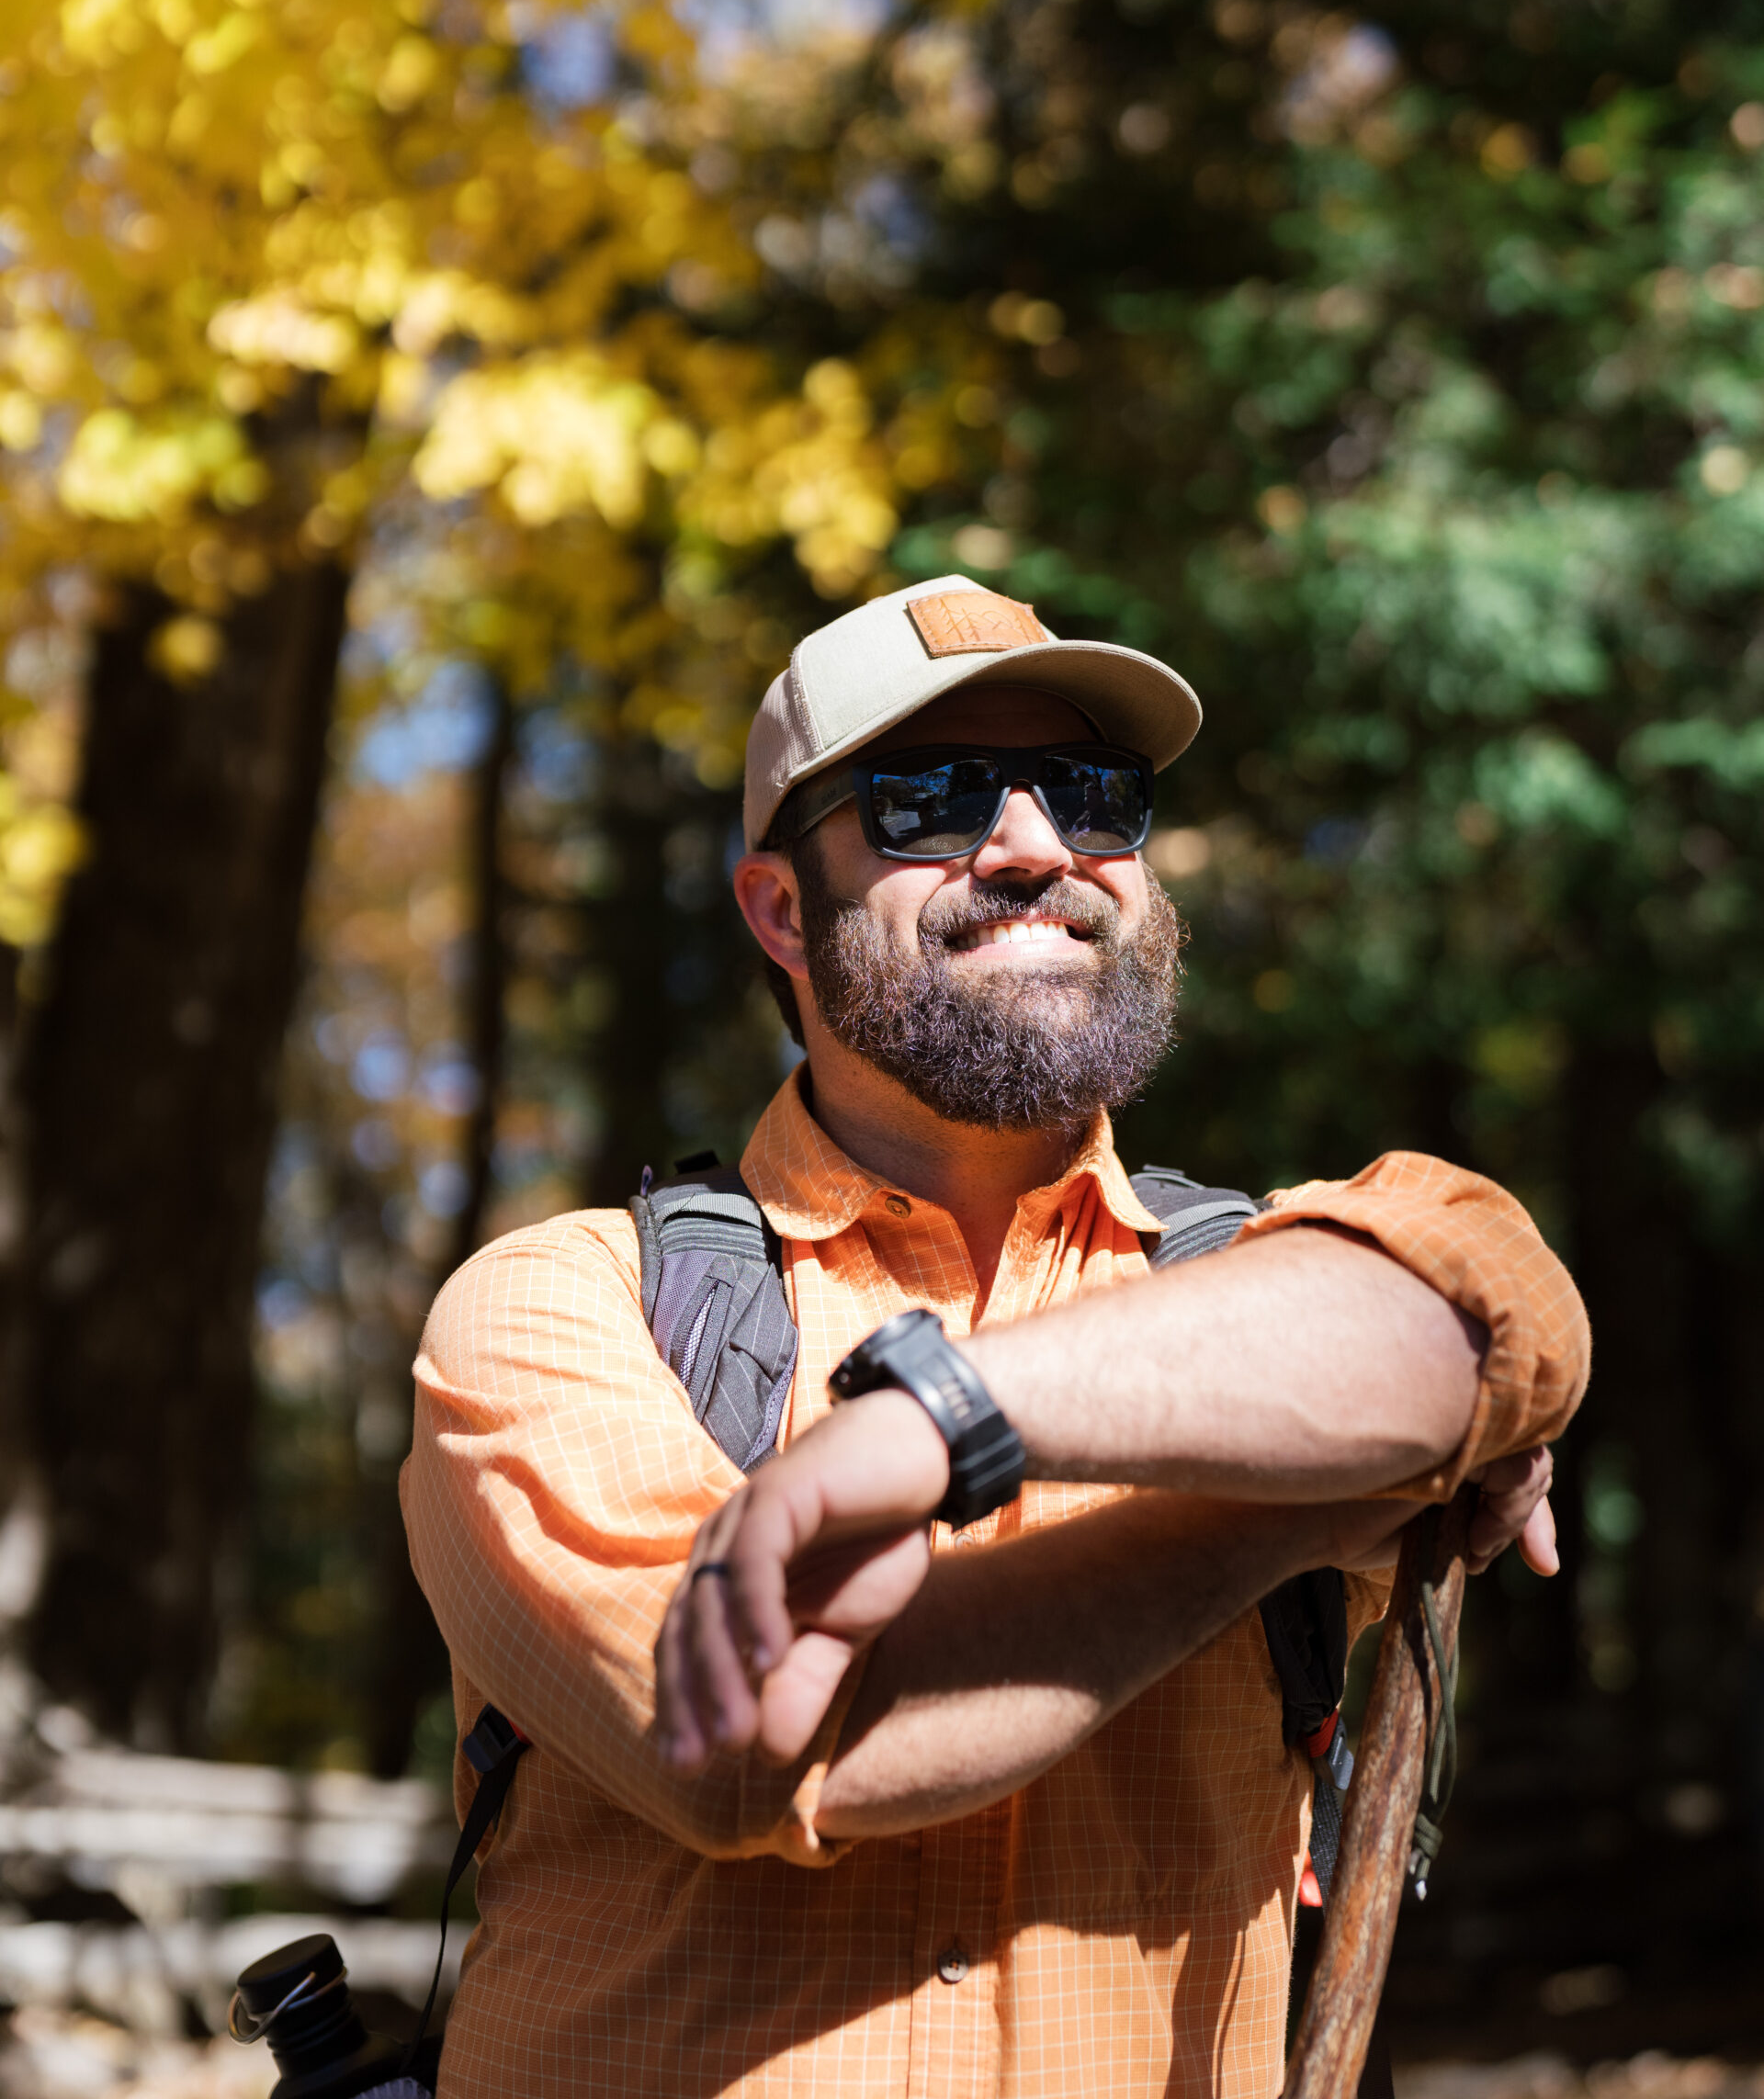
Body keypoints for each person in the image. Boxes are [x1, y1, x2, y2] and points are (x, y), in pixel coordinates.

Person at [402, 574, 1589, 2099]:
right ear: (781, 911)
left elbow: (1494, 1315)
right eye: (934, 797)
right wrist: (1277, 1522)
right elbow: (752, 1743)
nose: (1037, 846)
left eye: (1095, 796)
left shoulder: (1250, 1265)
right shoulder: (563, 1302)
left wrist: (942, 1414)